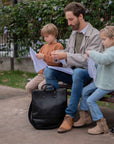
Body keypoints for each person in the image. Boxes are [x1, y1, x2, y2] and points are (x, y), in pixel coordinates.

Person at [44, 2, 103, 133]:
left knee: (78, 73)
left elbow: (90, 59)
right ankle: (58, 110)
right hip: (73, 72)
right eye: (67, 20)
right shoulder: (74, 34)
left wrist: (66, 55)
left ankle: (69, 115)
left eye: (71, 19)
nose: (69, 23)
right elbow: (69, 52)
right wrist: (59, 56)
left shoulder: (95, 35)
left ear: (80, 16)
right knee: (49, 71)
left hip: (89, 74)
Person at [74, 26, 114, 135]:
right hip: (100, 81)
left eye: (104, 39)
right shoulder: (108, 50)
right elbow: (101, 62)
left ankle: (101, 124)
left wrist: (92, 53)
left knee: (90, 100)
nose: (102, 42)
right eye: (101, 39)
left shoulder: (112, 51)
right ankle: (85, 115)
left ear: (113, 39)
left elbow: (104, 59)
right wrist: (93, 61)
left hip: (107, 84)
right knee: (85, 91)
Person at [25, 23, 63, 94]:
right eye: (44, 37)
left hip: (52, 74)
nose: (45, 38)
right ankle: (37, 103)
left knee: (41, 86)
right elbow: (39, 58)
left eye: (47, 36)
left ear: (54, 35)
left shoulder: (58, 46)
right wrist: (35, 58)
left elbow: (57, 62)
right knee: (28, 87)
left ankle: (45, 103)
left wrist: (44, 57)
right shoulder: (44, 47)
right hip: (41, 74)